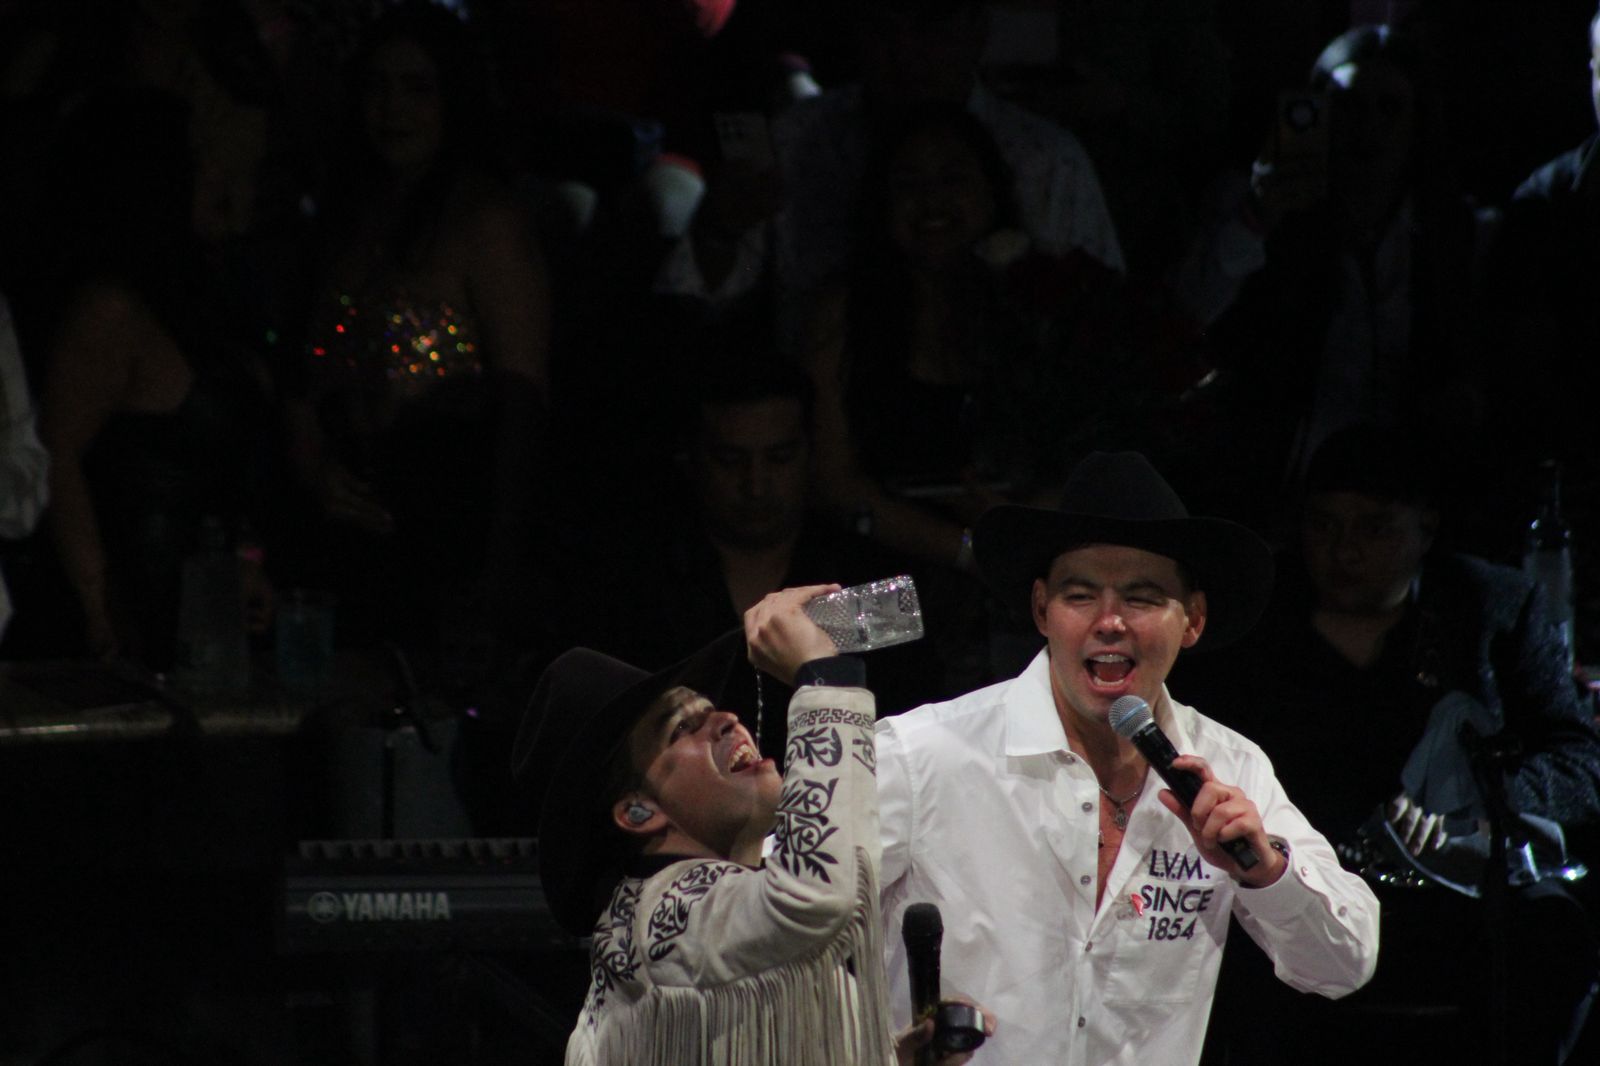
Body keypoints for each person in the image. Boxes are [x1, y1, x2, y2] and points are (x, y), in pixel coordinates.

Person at [874, 450, 1379, 1065]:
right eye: (1081, 595)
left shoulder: (1230, 767)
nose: (1109, 621)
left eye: (1141, 598)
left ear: (1191, 620)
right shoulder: (922, 753)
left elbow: (1342, 964)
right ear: (1041, 611)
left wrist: (1266, 871)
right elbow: (785, 930)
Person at [1174, 423, 1600, 1065]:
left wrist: (1478, 799)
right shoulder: (1259, 618)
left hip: (1446, 892)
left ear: (1424, 528)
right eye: (1324, 526)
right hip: (1291, 879)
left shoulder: (1491, 608)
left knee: (1556, 938)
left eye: (1373, 528)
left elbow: (1579, 762)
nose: (1343, 550)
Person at [511, 586, 991, 1065]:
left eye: (710, 709)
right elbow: (816, 895)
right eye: (680, 727)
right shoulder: (659, 913)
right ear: (639, 811)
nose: (725, 719)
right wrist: (822, 678)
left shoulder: (735, 917)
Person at [656, 0, 1122, 355]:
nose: (905, 54)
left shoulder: (1045, 161)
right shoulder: (797, 143)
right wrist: (722, 227)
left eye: (929, 23)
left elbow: (1105, 333)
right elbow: (691, 309)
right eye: (882, 27)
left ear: (977, 27)